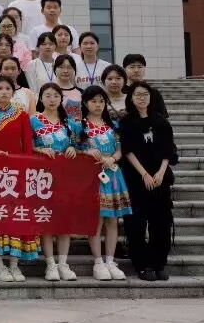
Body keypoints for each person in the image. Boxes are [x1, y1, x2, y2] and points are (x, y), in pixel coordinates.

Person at [0, 76, 41, 282]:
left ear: (13, 92)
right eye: (0, 88)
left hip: (18, 173)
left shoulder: (21, 115)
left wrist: (27, 171)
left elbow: (28, 145)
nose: (4, 92)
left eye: (7, 88)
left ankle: (14, 265)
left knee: (16, 217)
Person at [120, 82, 178, 282]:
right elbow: (127, 151)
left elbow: (168, 150)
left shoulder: (161, 121)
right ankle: (143, 265)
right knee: (136, 224)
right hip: (136, 180)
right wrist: (144, 174)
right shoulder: (127, 121)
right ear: (131, 98)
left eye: (145, 94)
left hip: (160, 179)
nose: (141, 98)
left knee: (161, 223)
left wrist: (160, 173)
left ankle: (158, 263)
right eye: (137, 94)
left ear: (151, 97)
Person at [78, 86, 132, 281]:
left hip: (113, 174)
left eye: (101, 101)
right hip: (91, 176)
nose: (98, 104)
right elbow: (73, 148)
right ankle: (98, 262)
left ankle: (110, 260)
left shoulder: (113, 125)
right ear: (85, 103)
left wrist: (113, 158)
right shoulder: (79, 126)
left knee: (112, 220)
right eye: (93, 101)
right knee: (96, 220)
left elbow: (120, 149)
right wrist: (85, 152)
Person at [30, 83, 82, 282]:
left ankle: (63, 263)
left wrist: (74, 149)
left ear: (61, 99)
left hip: (66, 177)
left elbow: (79, 144)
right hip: (42, 176)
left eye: (55, 96)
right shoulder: (33, 120)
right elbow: (27, 146)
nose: (52, 99)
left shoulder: (70, 123)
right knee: (47, 219)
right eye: (47, 95)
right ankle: (50, 264)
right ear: (41, 98)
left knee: (63, 220)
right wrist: (40, 149)